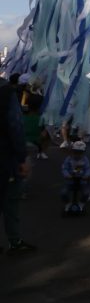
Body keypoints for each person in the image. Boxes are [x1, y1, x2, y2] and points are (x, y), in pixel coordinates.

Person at [0, 76, 29, 228]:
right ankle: (14, 241)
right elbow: (15, 125)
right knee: (10, 199)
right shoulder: (6, 92)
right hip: (4, 155)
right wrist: (21, 157)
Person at [61, 141, 90, 212]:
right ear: (72, 151)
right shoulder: (69, 159)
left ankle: (81, 204)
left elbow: (88, 168)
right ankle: (68, 204)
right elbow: (64, 168)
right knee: (63, 193)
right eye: (76, 152)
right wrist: (67, 175)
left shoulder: (85, 160)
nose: (77, 155)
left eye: (80, 153)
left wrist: (86, 175)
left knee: (86, 193)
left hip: (82, 181)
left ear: (83, 153)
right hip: (70, 181)